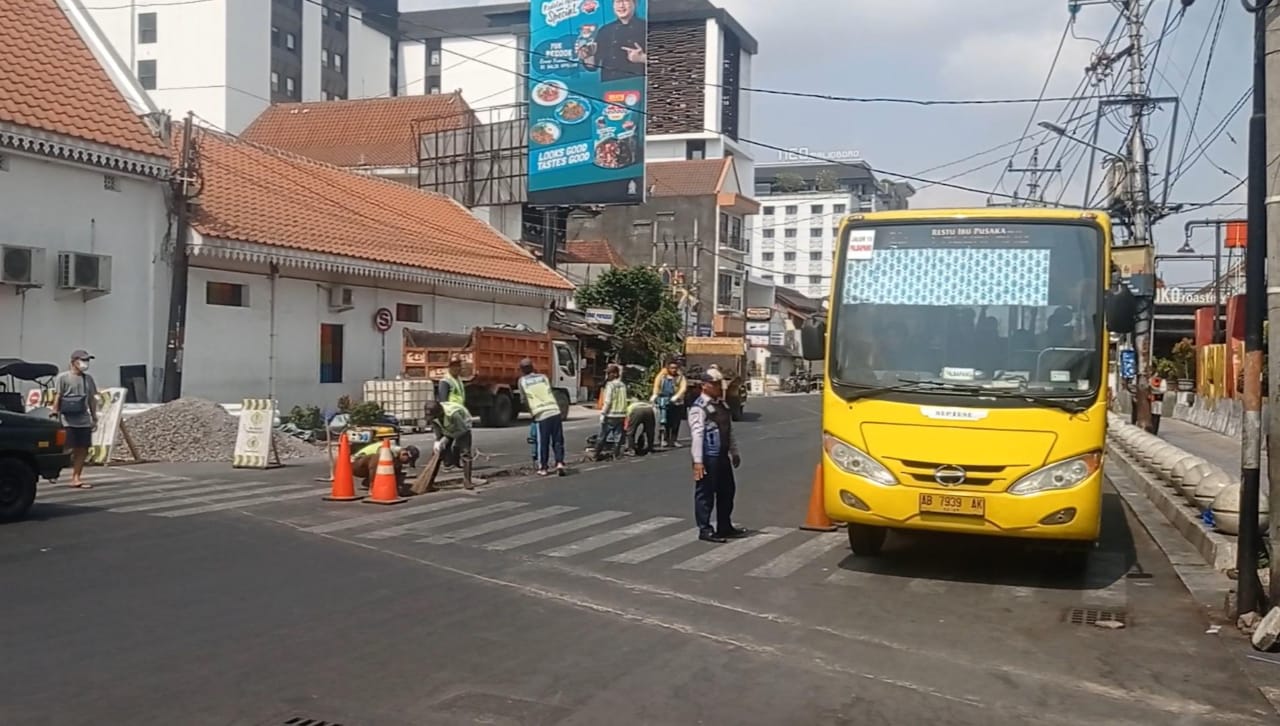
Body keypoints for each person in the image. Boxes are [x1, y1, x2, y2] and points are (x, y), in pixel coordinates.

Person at [688, 369, 746, 543]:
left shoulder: (722, 405)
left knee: (727, 491)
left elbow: (729, 431)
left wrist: (734, 452)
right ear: (704, 386)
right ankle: (705, 529)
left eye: (719, 383)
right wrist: (698, 462)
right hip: (708, 456)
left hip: (722, 456)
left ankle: (724, 526)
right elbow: (697, 436)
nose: (718, 387)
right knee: (705, 494)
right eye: (714, 384)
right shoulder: (699, 408)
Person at [52, 350, 98, 488]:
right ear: (74, 362)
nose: (85, 363)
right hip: (67, 419)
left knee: (82, 448)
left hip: (83, 418)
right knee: (66, 447)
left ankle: (76, 477)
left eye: (87, 360)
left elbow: (91, 399)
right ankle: (54, 471)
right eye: (83, 360)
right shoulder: (63, 377)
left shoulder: (88, 379)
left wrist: (94, 417)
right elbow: (58, 395)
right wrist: (54, 411)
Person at [577, 0, 647, 83]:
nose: (621, 5)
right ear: (613, 6)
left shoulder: (646, 27)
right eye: (618, 2)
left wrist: (642, 58)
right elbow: (592, 67)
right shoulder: (605, 30)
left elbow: (664, 60)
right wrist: (587, 56)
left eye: (626, 1)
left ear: (635, 4)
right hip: (610, 86)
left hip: (639, 84)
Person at [518, 358, 566, 476]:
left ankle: (543, 467)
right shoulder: (543, 377)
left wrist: (531, 413)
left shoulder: (522, 381)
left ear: (522, 370)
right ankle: (559, 462)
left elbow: (524, 399)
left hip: (541, 413)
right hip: (554, 410)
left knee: (542, 442)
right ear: (533, 367)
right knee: (558, 440)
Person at [425, 400, 475, 490]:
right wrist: (437, 441)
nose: (432, 418)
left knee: (465, 453)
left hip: (463, 426)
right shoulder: (433, 415)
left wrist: (447, 438)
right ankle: (429, 483)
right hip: (448, 427)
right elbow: (436, 426)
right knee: (438, 453)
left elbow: (462, 430)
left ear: (440, 413)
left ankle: (467, 481)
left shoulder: (453, 414)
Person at [351, 440, 420, 493]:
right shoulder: (388, 449)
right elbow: (375, 464)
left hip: (366, 468)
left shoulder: (398, 456)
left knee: (396, 467)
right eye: (407, 461)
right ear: (404, 454)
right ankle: (372, 486)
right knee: (380, 459)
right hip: (355, 464)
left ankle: (368, 482)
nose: (406, 463)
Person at [650, 359, 687, 448]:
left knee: (675, 422)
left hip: (676, 402)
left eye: (675, 368)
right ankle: (664, 439)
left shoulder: (680, 377)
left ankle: (674, 440)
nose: (673, 370)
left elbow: (683, 387)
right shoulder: (662, 375)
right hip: (664, 400)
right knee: (664, 421)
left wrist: (677, 396)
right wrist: (654, 394)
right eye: (671, 368)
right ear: (668, 368)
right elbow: (656, 385)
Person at [595, 364, 627, 460]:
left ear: (615, 374)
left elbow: (608, 401)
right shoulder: (622, 385)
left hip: (611, 415)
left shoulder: (610, 385)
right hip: (621, 414)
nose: (608, 375)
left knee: (602, 435)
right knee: (618, 436)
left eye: (609, 373)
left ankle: (596, 454)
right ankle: (616, 454)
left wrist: (603, 413)